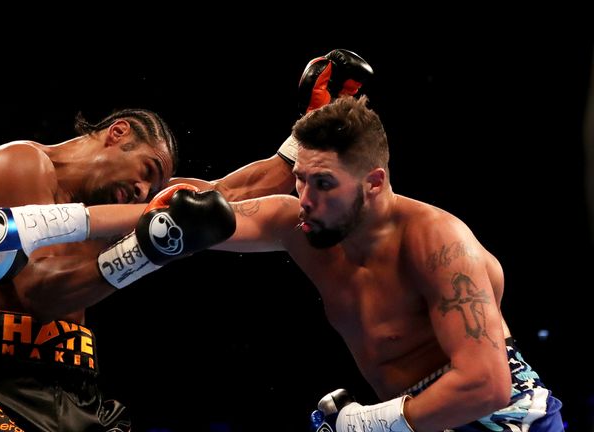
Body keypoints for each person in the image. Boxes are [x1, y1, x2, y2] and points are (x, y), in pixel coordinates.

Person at [0, 50, 374, 431]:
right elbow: (40, 292)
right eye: (146, 171)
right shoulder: (19, 164)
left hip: (73, 385)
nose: (143, 192)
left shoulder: (120, 207)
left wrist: (317, 123)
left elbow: (234, 193)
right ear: (117, 133)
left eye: (153, 185)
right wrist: (145, 248)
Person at [210, 95, 564, 431]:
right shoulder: (297, 225)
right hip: (411, 419)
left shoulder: (437, 240)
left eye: (324, 183)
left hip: (504, 418)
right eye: (300, 179)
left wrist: (360, 423)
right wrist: (153, 186)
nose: (305, 198)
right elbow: (191, 218)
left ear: (374, 182)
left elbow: (486, 385)